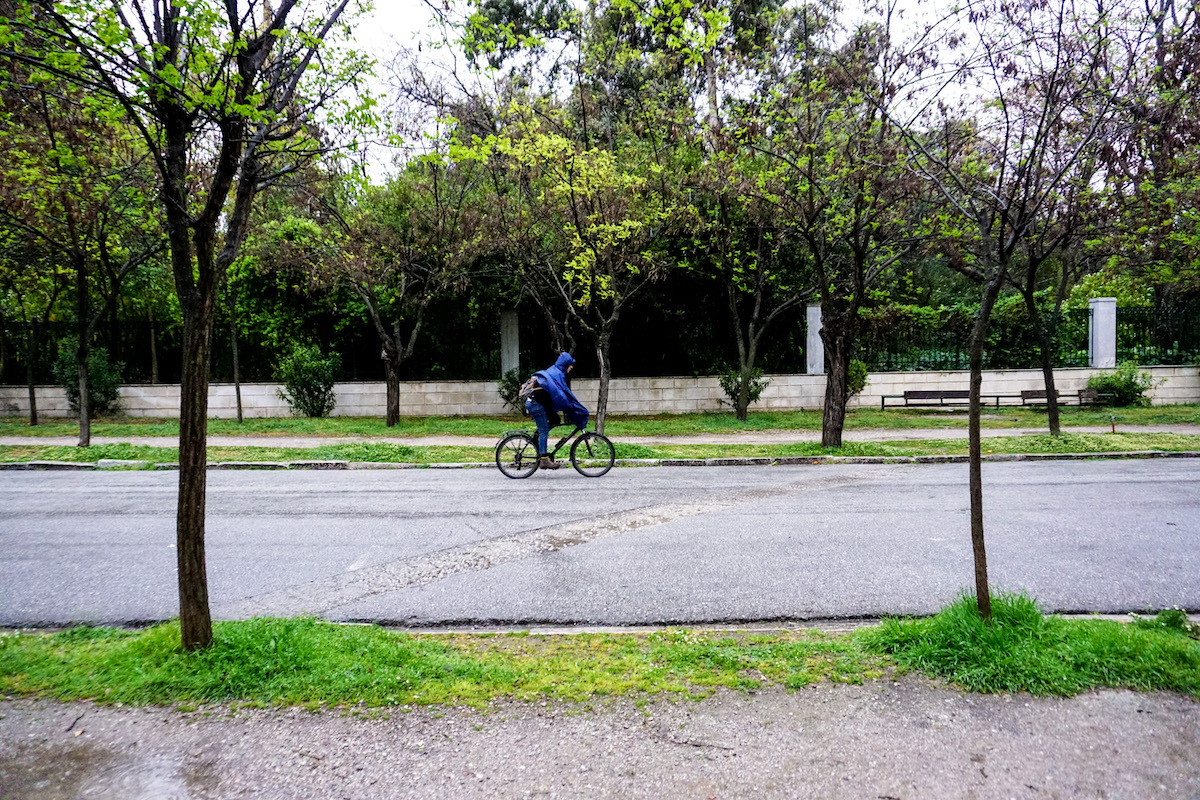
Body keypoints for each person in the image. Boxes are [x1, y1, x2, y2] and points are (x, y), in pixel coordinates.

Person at [525, 352, 590, 470]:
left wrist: (572, 406)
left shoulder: (556, 371)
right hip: (536, 403)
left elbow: (562, 394)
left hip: (539, 402)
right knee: (544, 429)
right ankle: (544, 460)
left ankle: (537, 437)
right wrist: (574, 408)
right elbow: (562, 396)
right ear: (565, 365)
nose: (571, 367)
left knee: (555, 419)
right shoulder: (558, 374)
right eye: (570, 365)